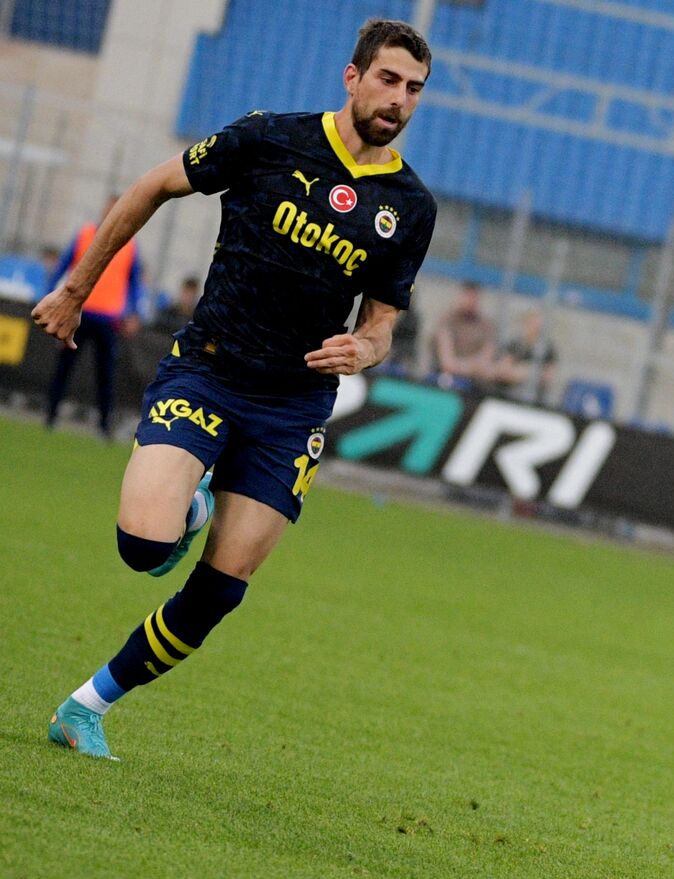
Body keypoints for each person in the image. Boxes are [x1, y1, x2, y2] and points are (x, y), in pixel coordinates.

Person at [32, 18, 437, 760]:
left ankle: (86, 707)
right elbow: (154, 185)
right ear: (352, 78)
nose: (399, 99)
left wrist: (364, 349)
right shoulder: (266, 139)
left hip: (294, 407)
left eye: (414, 88)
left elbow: (383, 325)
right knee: (141, 546)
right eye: (388, 80)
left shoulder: (410, 208)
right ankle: (192, 504)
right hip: (211, 369)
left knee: (222, 586)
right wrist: (76, 289)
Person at [45, 197, 144, 438]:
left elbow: (134, 283)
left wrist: (134, 312)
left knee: (105, 374)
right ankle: (50, 416)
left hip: (109, 319)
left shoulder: (129, 245)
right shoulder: (85, 235)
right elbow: (62, 268)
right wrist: (50, 297)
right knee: (64, 368)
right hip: (78, 313)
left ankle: (103, 425)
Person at [432, 280, 497, 384]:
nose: (471, 301)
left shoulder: (486, 326)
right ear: (460, 297)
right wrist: (473, 366)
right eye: (468, 297)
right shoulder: (447, 321)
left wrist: (464, 366)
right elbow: (447, 362)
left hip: (476, 382)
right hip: (446, 379)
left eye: (474, 298)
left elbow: (486, 360)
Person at [493, 307, 557, 399]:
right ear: (526, 324)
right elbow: (503, 371)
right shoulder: (515, 344)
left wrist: (524, 370)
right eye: (532, 324)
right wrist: (531, 372)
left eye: (538, 326)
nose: (535, 329)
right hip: (509, 394)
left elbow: (548, 377)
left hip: (535, 398)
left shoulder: (548, 349)